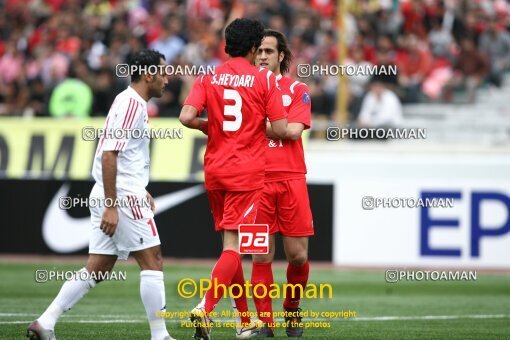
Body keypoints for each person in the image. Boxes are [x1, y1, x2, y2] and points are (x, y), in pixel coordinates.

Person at [27, 49, 174, 340]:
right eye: (163, 71)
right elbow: (109, 155)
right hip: (119, 196)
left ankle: (45, 322)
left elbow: (123, 155)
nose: (167, 79)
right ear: (148, 74)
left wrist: (139, 188)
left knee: (98, 267)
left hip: (119, 192)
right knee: (153, 260)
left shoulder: (129, 102)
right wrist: (112, 205)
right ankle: (160, 336)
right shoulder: (132, 104)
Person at [179, 18, 287, 340]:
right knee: (235, 247)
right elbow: (281, 130)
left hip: (214, 170)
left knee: (230, 245)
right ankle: (205, 308)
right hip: (248, 173)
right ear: (254, 48)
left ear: (228, 45)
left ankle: (244, 321)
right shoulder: (264, 80)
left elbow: (185, 117)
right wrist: (252, 127)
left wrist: (209, 126)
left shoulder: (208, 75)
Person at [250, 29, 314, 338]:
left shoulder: (298, 89)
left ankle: (291, 308)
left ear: (281, 56)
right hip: (254, 182)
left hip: (290, 179)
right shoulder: (245, 91)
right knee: (260, 255)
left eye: (268, 51)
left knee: (297, 256)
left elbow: (292, 132)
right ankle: (265, 322)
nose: (262, 56)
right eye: (258, 51)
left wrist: (254, 125)